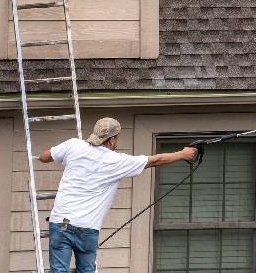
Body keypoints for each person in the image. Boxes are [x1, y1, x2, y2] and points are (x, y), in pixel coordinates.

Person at [38, 117, 197, 273]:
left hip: (61, 223)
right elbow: (155, 160)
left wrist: (58, 157)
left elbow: (44, 157)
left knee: (58, 271)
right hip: (86, 228)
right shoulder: (117, 161)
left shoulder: (73, 145)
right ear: (112, 139)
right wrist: (183, 154)